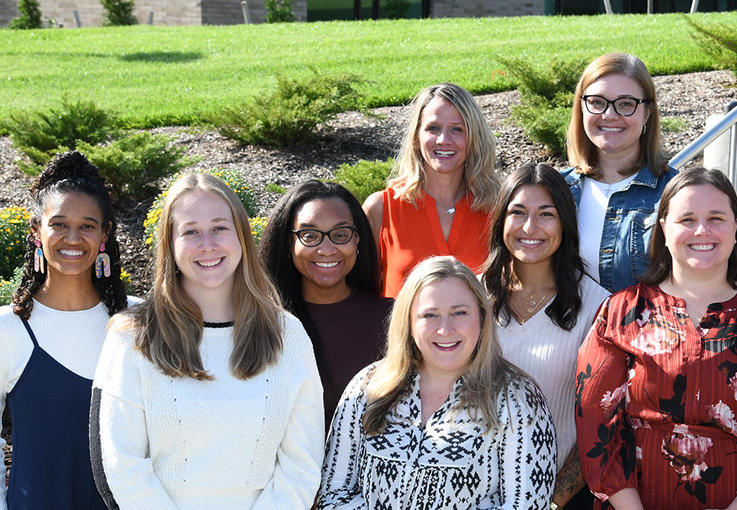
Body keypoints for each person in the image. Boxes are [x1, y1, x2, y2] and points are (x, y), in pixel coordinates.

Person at [91, 172, 323, 509]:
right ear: (169, 244)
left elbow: (301, 465)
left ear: (241, 235)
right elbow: (119, 464)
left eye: (219, 228)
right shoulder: (132, 338)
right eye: (190, 232)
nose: (208, 244)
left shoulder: (287, 336)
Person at [575, 168, 737, 510]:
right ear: (663, 229)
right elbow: (596, 426)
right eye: (687, 218)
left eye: (716, 218)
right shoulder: (621, 312)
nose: (702, 230)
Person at [0, 151, 132, 510]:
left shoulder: (139, 319)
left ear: (105, 234)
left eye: (87, 225)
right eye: (58, 224)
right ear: (36, 231)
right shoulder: (2, 330)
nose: (73, 237)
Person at [317, 256, 556, 509]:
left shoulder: (517, 400)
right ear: (408, 322)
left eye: (459, 313)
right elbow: (332, 494)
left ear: (482, 317)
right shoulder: (367, 387)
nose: (445, 329)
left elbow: (526, 505)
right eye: (430, 315)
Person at [481, 163, 611, 509]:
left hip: (558, 500)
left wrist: (550, 502)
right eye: (517, 212)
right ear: (501, 221)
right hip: (472, 492)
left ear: (565, 222)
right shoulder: (470, 298)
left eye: (545, 214)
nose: (530, 227)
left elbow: (601, 424)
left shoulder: (599, 308)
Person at [260, 180, 393, 425]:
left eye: (340, 234)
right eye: (310, 236)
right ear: (290, 244)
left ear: (357, 240)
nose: (327, 249)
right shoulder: (261, 324)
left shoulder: (392, 319)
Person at [364, 83, 501, 298]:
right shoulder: (382, 209)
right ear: (417, 137)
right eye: (433, 128)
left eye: (457, 129)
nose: (443, 140)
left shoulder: (498, 209)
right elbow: (362, 295)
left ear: (473, 137)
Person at [561, 52, 677, 293]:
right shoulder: (556, 190)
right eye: (597, 102)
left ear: (647, 112)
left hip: (643, 329)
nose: (610, 115)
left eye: (625, 103)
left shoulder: (676, 194)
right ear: (581, 107)